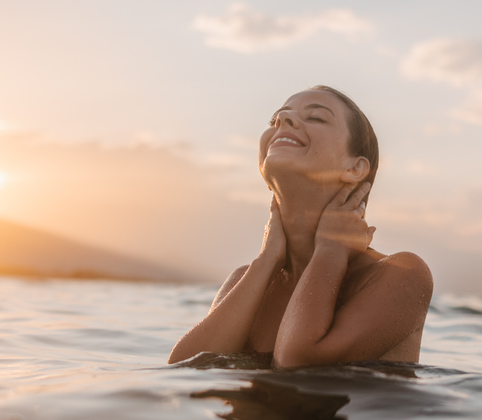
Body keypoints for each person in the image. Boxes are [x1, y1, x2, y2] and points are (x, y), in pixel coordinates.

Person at [168, 86, 433, 368]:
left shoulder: (402, 275)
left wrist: (330, 249)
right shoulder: (245, 280)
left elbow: (297, 363)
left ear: (355, 168)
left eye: (316, 118)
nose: (283, 120)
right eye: (276, 119)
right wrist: (266, 260)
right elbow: (184, 370)